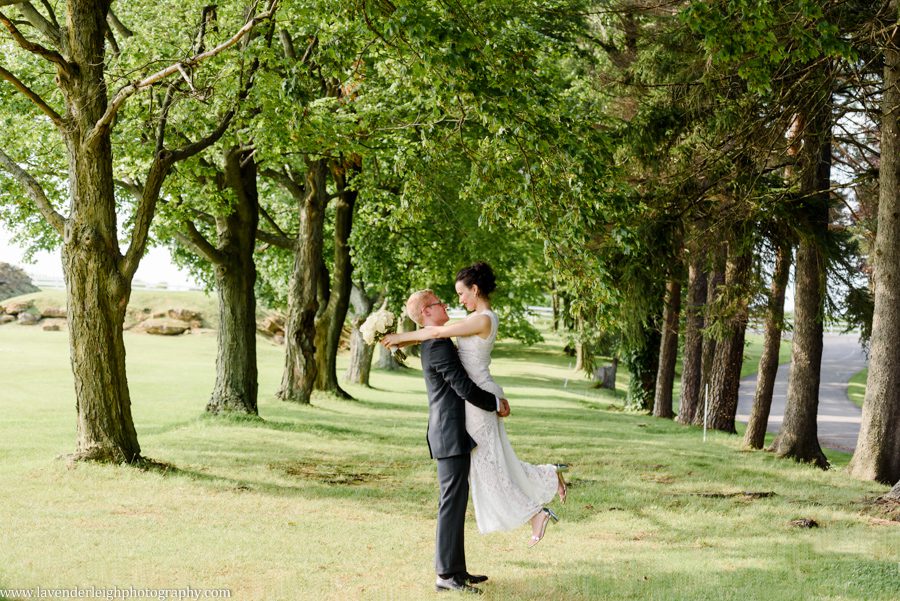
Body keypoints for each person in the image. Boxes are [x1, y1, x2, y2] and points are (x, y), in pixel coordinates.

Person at [384, 263, 567, 549]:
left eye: (461, 293)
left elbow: (434, 333)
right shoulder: (476, 318)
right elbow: (436, 334)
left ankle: (535, 512)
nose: (459, 300)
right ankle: (546, 478)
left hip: (479, 396)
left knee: (489, 465)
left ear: (475, 289)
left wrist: (400, 338)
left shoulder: (483, 319)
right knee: (496, 460)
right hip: (480, 396)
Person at [403, 287, 512, 594]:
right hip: (448, 432)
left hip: (454, 431)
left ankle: (457, 570)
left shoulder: (437, 338)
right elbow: (463, 387)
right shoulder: (437, 346)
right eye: (438, 303)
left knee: (457, 501)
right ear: (427, 312)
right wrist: (495, 402)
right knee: (450, 504)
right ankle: (445, 576)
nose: (445, 305)